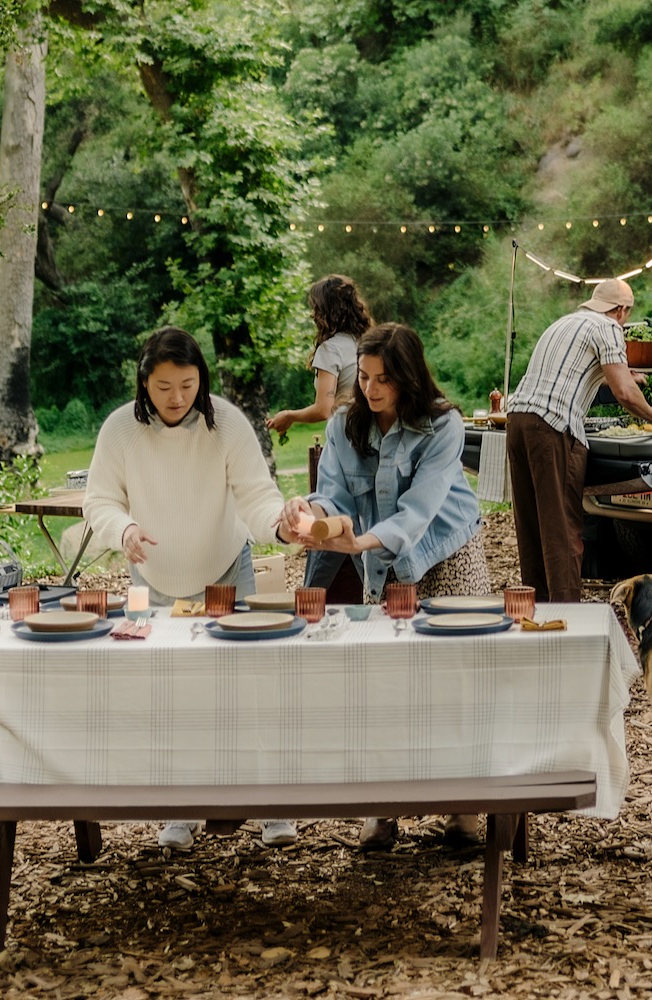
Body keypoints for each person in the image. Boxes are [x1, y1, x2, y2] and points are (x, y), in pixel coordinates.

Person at [84, 326, 299, 850]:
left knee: (251, 687)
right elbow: (99, 501)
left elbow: (256, 494)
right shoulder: (119, 431)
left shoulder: (225, 423)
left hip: (226, 566)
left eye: (187, 384)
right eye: (164, 387)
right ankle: (182, 809)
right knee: (173, 695)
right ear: (144, 384)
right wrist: (124, 529)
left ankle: (271, 807)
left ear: (200, 380)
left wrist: (282, 524)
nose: (177, 398)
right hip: (154, 581)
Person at [278, 322, 490, 851]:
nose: (370, 390)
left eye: (383, 380)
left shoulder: (443, 426)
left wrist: (362, 543)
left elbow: (418, 513)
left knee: (453, 680)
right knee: (383, 681)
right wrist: (309, 512)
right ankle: (382, 806)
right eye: (365, 378)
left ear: (408, 377)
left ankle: (463, 809)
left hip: (446, 554)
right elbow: (333, 495)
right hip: (379, 556)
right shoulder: (345, 427)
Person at [505, 278, 652, 603]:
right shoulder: (608, 327)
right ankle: (568, 615)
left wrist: (626, 374)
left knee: (531, 527)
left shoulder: (562, 323)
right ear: (622, 310)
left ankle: (538, 610)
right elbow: (623, 392)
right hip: (551, 428)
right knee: (562, 529)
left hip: (518, 421)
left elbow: (574, 372)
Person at [267, 275, 373, 603]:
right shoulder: (368, 342)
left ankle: (308, 603)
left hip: (343, 450)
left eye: (315, 308)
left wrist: (290, 416)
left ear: (325, 311)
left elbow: (325, 408)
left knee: (326, 523)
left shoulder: (330, 349)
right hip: (374, 449)